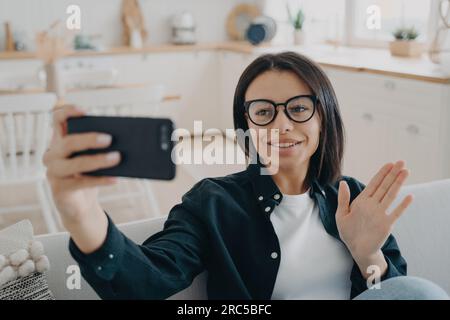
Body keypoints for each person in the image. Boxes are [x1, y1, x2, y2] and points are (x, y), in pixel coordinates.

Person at [43, 52, 449, 300]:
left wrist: (368, 255)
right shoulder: (213, 204)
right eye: (263, 112)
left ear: (323, 118)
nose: (282, 125)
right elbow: (146, 281)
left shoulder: (354, 198)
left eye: (299, 108)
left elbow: (393, 294)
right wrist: (81, 213)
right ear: (246, 126)